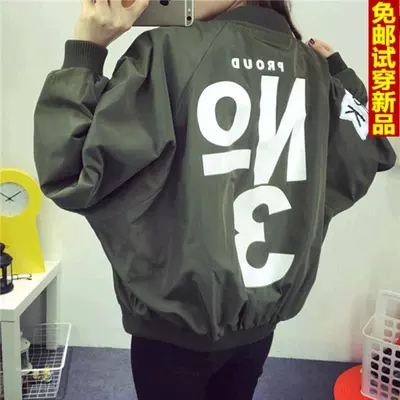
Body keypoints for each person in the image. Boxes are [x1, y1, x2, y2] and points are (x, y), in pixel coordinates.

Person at [33, 0, 396, 399]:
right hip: (261, 319)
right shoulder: (312, 68)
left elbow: (72, 171)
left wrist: (86, 49)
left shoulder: (168, 50)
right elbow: (372, 152)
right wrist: (341, 75)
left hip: (172, 326)